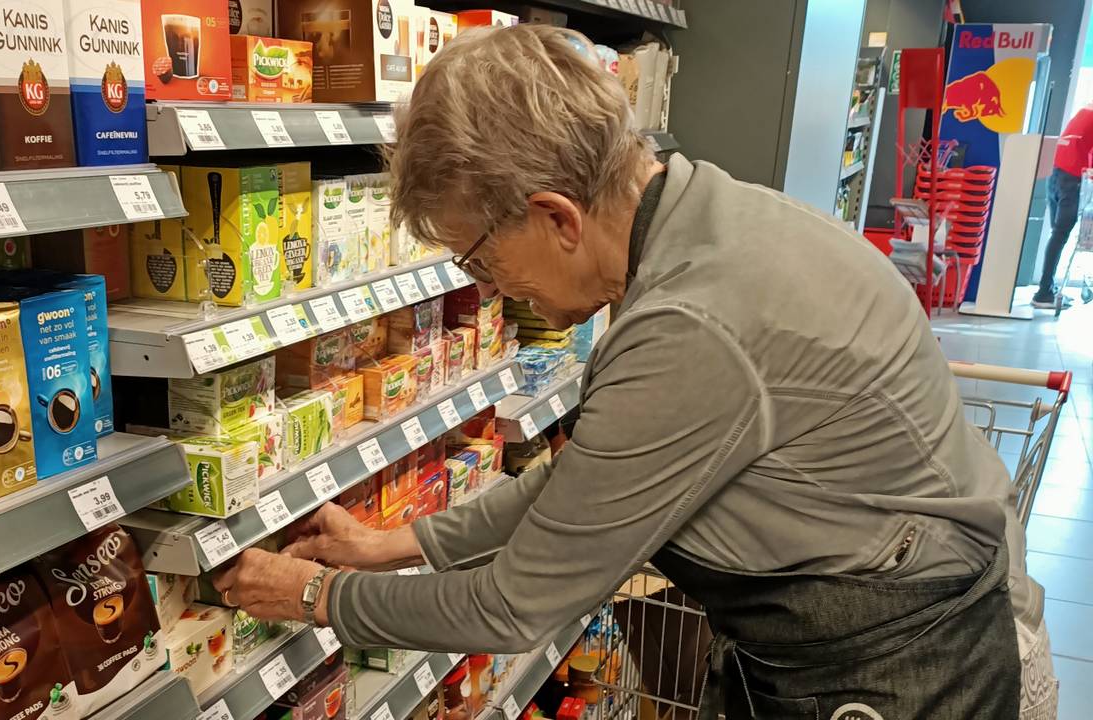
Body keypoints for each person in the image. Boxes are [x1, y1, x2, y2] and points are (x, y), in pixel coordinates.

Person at [212, 24, 1056, 720]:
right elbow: (591, 483)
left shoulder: (689, 326)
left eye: (477, 254)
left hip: (905, 670)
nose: (484, 288)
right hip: (883, 623)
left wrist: (316, 594)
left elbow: (512, 607)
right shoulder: (703, 213)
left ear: (556, 217)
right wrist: (399, 541)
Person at [1033, 103, 1093, 309]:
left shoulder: (1085, 111)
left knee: (1057, 236)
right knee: (1060, 236)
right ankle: (1043, 292)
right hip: (1071, 180)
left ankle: (1047, 288)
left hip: (1057, 176)